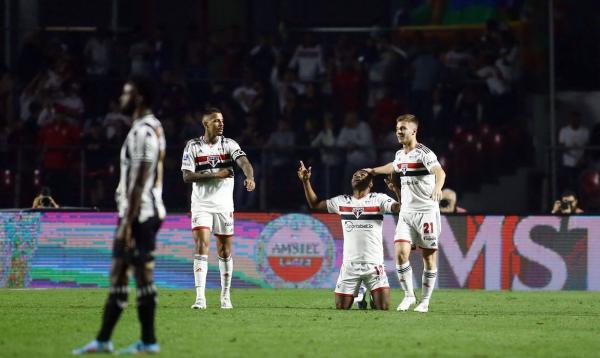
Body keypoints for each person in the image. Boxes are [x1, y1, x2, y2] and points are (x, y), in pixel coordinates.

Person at [73, 76, 166, 354]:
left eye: (126, 94)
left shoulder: (143, 133)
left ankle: (146, 341)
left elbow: (139, 181)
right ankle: (106, 340)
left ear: (138, 97)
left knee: (138, 274)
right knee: (121, 273)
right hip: (140, 213)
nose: (121, 99)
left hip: (139, 215)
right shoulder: (152, 127)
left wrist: (126, 222)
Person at [365, 114, 446, 313]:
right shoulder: (400, 155)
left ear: (414, 131)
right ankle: (409, 296)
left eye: (403, 128)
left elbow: (440, 172)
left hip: (426, 212)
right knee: (400, 254)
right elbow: (393, 167)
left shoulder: (424, 153)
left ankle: (425, 301)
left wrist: (438, 187)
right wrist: (373, 171)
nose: (399, 131)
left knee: (428, 258)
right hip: (407, 213)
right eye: (397, 128)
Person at [298, 161, 401, 310]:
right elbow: (315, 204)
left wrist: (396, 189)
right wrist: (306, 182)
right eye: (355, 175)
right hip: (349, 266)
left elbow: (400, 208)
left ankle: (369, 293)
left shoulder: (379, 199)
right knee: (341, 308)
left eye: (363, 174)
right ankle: (360, 291)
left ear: (371, 183)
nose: (358, 175)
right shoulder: (342, 201)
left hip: (374, 265)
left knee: (383, 307)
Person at [181, 107, 255, 310]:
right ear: (206, 124)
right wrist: (216, 174)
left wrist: (249, 177)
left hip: (223, 206)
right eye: (216, 121)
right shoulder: (193, 146)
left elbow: (245, 162)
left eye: (222, 120)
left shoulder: (229, 144)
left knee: (224, 250)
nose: (221, 123)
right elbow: (187, 176)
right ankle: (200, 298)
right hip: (201, 205)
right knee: (201, 246)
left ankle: (225, 296)